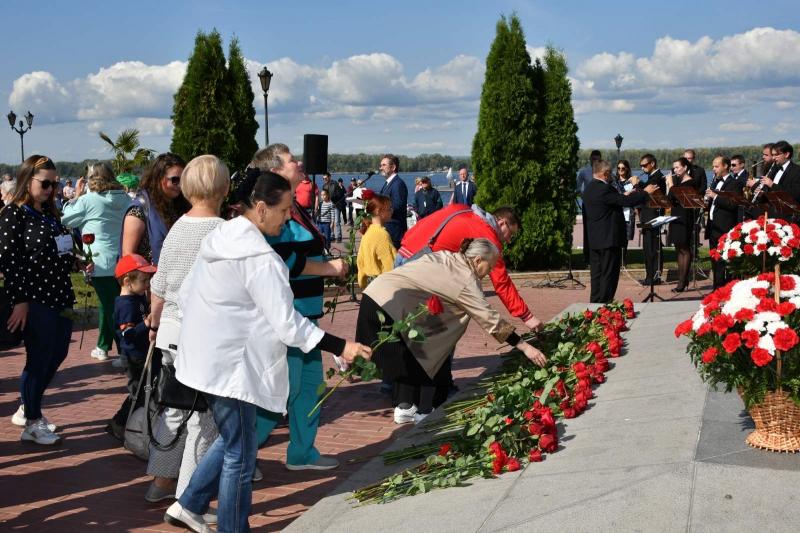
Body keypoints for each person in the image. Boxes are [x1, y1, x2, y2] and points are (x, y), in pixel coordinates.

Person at [165, 171, 370, 533]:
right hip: (231, 368)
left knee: (234, 440)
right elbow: (289, 325)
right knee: (241, 458)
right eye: (285, 210)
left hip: (208, 358)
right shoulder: (260, 258)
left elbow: (187, 294)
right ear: (260, 209)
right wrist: (342, 346)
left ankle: (191, 503)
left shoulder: (223, 236)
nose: (288, 216)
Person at [358, 238, 547, 423]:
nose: (489, 272)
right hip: (389, 308)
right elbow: (490, 320)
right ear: (478, 260)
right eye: (489, 267)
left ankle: (406, 407)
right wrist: (525, 347)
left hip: (375, 296)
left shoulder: (446, 256)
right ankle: (422, 412)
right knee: (406, 354)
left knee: (418, 350)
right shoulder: (465, 280)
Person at [249, 143, 349, 473]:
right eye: (292, 161)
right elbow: (283, 260)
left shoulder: (296, 207)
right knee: (280, 392)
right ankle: (240, 457)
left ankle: (302, 451)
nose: (300, 163)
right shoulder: (270, 213)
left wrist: (327, 251)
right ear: (276, 171)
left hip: (308, 311)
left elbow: (303, 247)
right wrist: (328, 269)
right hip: (288, 316)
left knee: (310, 387)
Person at [144, 155, 230, 504]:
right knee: (205, 419)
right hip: (204, 335)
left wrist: (154, 321)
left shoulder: (177, 226)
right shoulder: (223, 230)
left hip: (171, 330)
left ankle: (161, 482)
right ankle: (189, 498)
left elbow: (160, 283)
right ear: (223, 188)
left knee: (175, 408)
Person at [1, 155, 75, 445]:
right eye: (45, 183)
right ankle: (32, 420)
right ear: (26, 180)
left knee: (57, 355)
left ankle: (29, 406)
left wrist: (76, 261)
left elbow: (58, 249)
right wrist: (19, 300)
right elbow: (9, 260)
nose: (50, 189)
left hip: (59, 293)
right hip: (34, 297)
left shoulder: (49, 214)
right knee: (39, 358)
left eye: (54, 184)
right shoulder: (13, 214)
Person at [397, 203, 544, 330]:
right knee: (437, 328)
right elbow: (502, 283)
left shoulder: (461, 209)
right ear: (501, 223)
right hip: (419, 268)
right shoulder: (489, 238)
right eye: (510, 234)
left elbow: (423, 223)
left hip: (404, 253)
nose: (508, 240)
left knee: (401, 322)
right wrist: (527, 317)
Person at [61, 162, 132, 362]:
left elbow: (65, 219)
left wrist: (76, 195)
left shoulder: (89, 200)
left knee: (111, 307)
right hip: (122, 258)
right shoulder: (125, 198)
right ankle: (103, 345)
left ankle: (124, 351)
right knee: (109, 303)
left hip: (98, 262)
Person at [583, 160, 652, 303]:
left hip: (595, 239)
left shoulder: (589, 188)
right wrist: (645, 192)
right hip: (608, 239)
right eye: (610, 173)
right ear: (605, 173)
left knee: (596, 274)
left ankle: (595, 302)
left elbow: (614, 200)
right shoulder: (605, 188)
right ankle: (605, 304)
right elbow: (625, 202)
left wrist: (625, 195)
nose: (611, 176)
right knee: (609, 274)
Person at [107, 254, 157, 438]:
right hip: (134, 356)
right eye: (144, 280)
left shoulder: (137, 298)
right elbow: (128, 335)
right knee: (138, 393)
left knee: (145, 390)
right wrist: (146, 323)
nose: (147, 285)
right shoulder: (126, 305)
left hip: (142, 352)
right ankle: (119, 423)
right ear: (127, 281)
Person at [121, 153, 190, 265]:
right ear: (159, 178)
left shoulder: (180, 205)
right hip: (149, 278)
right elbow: (128, 256)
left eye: (184, 180)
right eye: (175, 180)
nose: (180, 185)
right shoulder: (139, 210)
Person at [705, 156, 743, 289]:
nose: (713, 169)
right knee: (715, 260)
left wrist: (715, 196)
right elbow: (712, 204)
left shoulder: (734, 183)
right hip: (713, 227)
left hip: (725, 227)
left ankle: (726, 289)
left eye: (716, 166)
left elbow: (733, 205)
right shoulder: (715, 182)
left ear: (725, 166)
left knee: (725, 261)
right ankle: (717, 288)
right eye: (713, 166)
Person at [665, 158, 699, 293]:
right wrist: (669, 186)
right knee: (678, 248)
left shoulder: (691, 182)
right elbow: (669, 200)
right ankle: (682, 279)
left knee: (685, 248)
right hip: (676, 216)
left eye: (678, 167)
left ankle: (683, 281)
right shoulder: (677, 182)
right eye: (674, 168)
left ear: (685, 167)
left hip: (685, 218)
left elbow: (682, 199)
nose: (675, 170)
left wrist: (672, 186)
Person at [356, 193, 396, 288]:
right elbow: (390, 265)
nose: (392, 211)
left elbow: (360, 260)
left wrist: (362, 280)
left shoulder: (368, 231)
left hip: (369, 284)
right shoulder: (381, 234)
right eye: (389, 208)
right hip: (382, 284)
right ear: (378, 211)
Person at [637, 153, 666, 285]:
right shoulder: (651, 177)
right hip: (647, 216)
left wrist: (638, 185)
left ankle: (653, 277)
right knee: (648, 248)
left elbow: (649, 193)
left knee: (652, 247)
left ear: (652, 164)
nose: (642, 168)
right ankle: (651, 275)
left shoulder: (658, 177)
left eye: (644, 165)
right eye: (641, 166)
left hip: (653, 216)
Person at [378, 154, 408, 248]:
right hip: (387, 229)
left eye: (384, 165)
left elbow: (397, 206)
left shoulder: (398, 184)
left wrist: (379, 208)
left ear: (393, 167)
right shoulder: (388, 183)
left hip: (394, 232)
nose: (380, 168)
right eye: (380, 165)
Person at [612, 160, 635, 258]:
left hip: (628, 213)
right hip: (617, 212)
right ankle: (617, 259)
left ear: (627, 169)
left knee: (625, 238)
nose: (620, 170)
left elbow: (634, 198)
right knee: (616, 236)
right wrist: (624, 195)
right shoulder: (614, 183)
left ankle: (623, 260)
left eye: (623, 168)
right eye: (618, 168)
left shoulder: (631, 181)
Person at [321, 173, 343, 242]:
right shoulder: (324, 186)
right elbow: (323, 195)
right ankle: (332, 235)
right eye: (323, 178)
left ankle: (339, 236)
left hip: (336, 205)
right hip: (328, 205)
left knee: (336, 221)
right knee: (330, 221)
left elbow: (340, 194)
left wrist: (332, 198)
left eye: (326, 178)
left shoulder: (335, 184)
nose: (325, 179)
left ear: (329, 177)